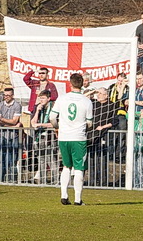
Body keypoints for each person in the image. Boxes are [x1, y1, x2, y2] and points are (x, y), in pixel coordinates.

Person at [50, 73, 93, 206]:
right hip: (78, 138)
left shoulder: (62, 98)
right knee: (79, 167)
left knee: (66, 166)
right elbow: (90, 122)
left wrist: (58, 128)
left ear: (70, 83)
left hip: (64, 137)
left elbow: (52, 117)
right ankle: (78, 199)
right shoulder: (87, 101)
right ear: (83, 84)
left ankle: (64, 195)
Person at [87, 87, 118, 187]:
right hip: (92, 134)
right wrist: (93, 91)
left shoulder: (111, 105)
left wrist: (103, 127)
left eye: (100, 93)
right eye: (98, 93)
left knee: (101, 158)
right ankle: (92, 181)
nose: (98, 95)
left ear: (106, 95)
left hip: (103, 134)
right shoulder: (94, 103)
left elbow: (114, 121)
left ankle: (102, 182)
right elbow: (83, 97)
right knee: (91, 157)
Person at [0, 87, 22, 182]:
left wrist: (2, 120)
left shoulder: (17, 105)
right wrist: (11, 124)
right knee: (1, 159)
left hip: (14, 136)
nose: (6, 97)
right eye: (5, 95)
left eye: (8, 95)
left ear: (12, 95)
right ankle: (0, 179)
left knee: (12, 159)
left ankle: (12, 180)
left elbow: (14, 121)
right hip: (2, 135)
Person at [30, 89, 58, 184]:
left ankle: (56, 180)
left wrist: (41, 125)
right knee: (41, 160)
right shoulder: (38, 107)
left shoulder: (54, 107)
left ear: (49, 98)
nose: (41, 100)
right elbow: (33, 122)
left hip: (50, 137)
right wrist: (37, 111)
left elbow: (55, 124)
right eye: (40, 98)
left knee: (51, 159)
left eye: (43, 98)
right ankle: (42, 180)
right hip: (39, 137)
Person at [107, 72, 129, 161]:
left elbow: (122, 98)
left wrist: (123, 86)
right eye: (119, 80)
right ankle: (111, 154)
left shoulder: (127, 89)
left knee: (121, 134)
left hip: (122, 113)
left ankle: (119, 155)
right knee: (112, 135)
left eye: (122, 81)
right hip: (112, 113)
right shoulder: (112, 87)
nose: (120, 82)